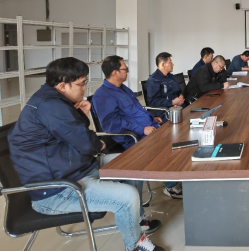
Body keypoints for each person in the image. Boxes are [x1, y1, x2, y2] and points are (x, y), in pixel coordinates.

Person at [8, 57, 164, 251]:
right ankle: (135, 245)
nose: (84, 88)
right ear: (62, 85)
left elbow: (76, 134)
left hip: (75, 169)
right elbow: (87, 143)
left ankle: (136, 219)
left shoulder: (56, 100)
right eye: (81, 84)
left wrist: (83, 115)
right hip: (58, 190)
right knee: (128, 196)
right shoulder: (50, 106)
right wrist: (98, 144)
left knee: (134, 164)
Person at [93, 56, 182, 201]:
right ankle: (170, 184)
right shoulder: (102, 95)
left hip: (148, 128)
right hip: (132, 137)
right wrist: (142, 129)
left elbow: (137, 109)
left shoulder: (123, 88)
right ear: (115, 72)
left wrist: (151, 117)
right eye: (125, 69)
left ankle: (173, 179)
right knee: (169, 144)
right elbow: (112, 124)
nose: (128, 71)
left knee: (178, 135)